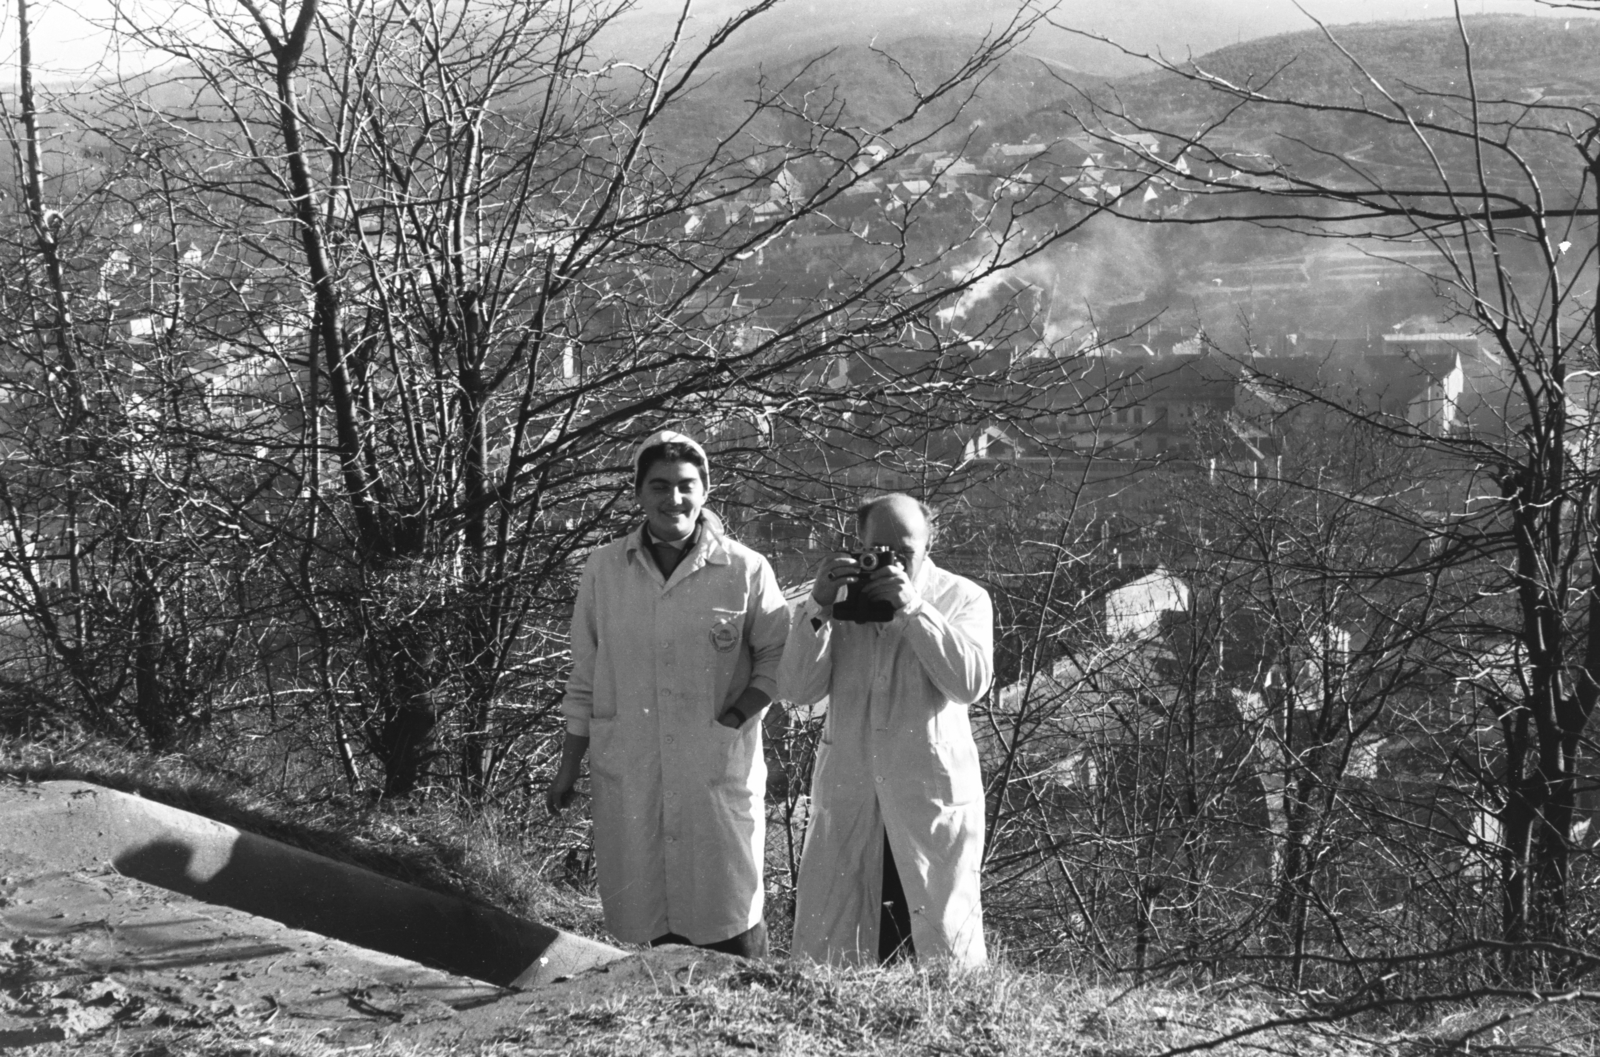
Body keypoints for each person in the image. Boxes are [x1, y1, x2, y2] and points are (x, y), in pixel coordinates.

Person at [546, 430, 789, 958]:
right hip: (632, 764)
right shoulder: (604, 570)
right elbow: (585, 676)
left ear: (705, 491)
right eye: (659, 485)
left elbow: (777, 656)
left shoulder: (745, 569)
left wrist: (739, 714)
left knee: (729, 911)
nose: (673, 499)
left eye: (685, 485)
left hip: (716, 763)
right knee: (648, 915)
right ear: (638, 492)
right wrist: (568, 768)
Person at [778, 494, 993, 967]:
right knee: (839, 945)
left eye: (905, 552)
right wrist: (817, 605)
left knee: (936, 943)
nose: (890, 562)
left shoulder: (963, 598)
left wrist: (912, 606)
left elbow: (970, 684)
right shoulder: (838, 601)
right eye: (879, 550)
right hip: (852, 791)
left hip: (928, 798)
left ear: (930, 542)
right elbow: (796, 688)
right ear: (860, 545)